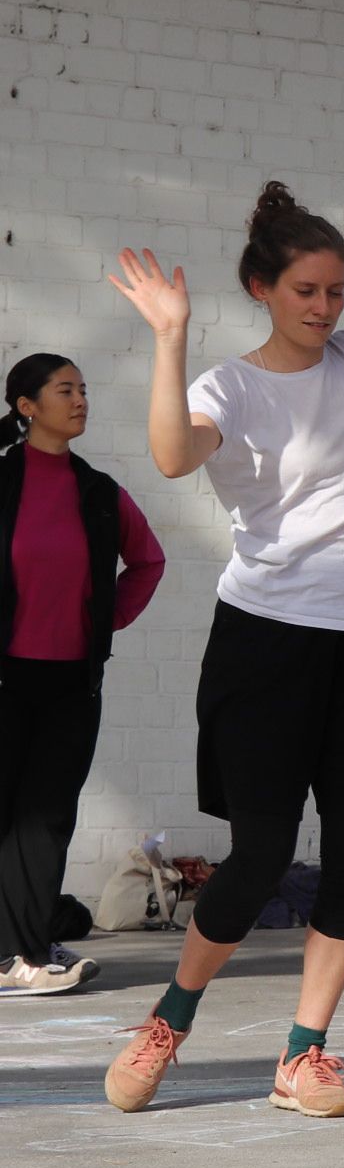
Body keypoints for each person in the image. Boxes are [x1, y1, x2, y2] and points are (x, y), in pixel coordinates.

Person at [99, 171, 344, 1119]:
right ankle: (169, 1020)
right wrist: (167, 337)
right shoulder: (225, 385)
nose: (323, 308)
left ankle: (305, 1055)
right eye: (305, 291)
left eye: (335, 291)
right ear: (263, 289)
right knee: (262, 853)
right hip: (266, 640)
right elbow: (170, 455)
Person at [0, 354, 165, 995]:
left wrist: (103, 622)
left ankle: (27, 954)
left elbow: (147, 561)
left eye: (84, 389)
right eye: (65, 390)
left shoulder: (98, 493)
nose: (80, 400)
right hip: (4, 677)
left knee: (44, 821)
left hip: (71, 682)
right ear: (27, 406)